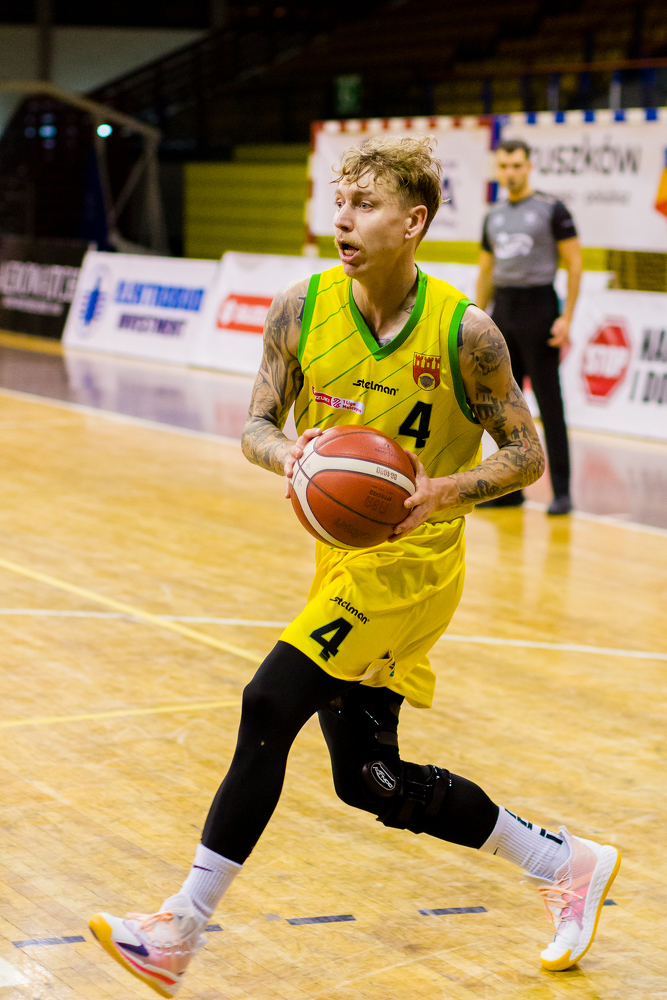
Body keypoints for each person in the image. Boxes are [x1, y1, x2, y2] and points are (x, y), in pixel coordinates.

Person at [88, 136, 619, 997]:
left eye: (365, 204)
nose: (342, 219)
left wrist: (442, 490)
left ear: (412, 222)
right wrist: (290, 456)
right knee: (367, 779)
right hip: (341, 565)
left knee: (268, 702)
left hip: (413, 571)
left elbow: (526, 455)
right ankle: (566, 862)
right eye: (338, 202)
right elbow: (256, 425)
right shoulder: (299, 309)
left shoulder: (466, 333)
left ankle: (178, 928)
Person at [475, 138, 582, 515]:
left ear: (529, 166)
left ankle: (562, 491)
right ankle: (510, 491)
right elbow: (486, 269)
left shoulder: (552, 209)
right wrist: (479, 316)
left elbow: (574, 263)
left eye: (517, 165)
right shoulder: (493, 215)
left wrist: (566, 317)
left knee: (550, 404)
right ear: (497, 169)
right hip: (504, 310)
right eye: (504, 166)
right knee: (505, 407)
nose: (511, 173)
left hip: (539, 308)